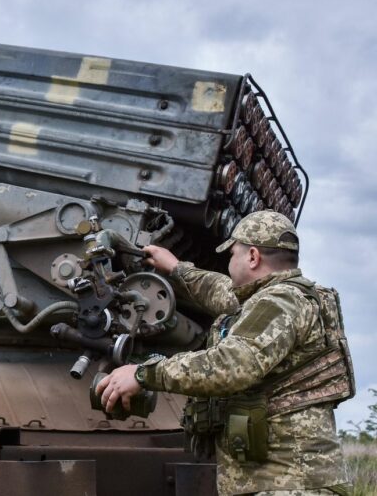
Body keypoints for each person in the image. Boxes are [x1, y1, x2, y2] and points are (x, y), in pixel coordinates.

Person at [95, 210, 351, 495]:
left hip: (289, 484)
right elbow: (220, 291)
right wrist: (177, 268)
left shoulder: (279, 303)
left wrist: (143, 374)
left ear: (253, 257)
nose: (229, 262)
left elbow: (232, 365)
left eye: (232, 255)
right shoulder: (282, 296)